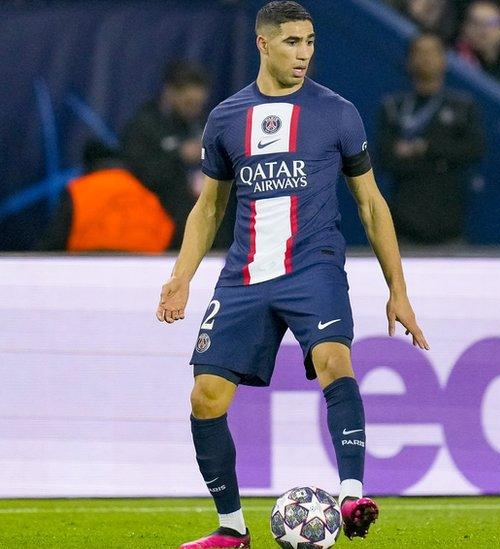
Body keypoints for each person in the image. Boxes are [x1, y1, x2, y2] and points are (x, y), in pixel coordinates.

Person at [155, 3, 429, 548]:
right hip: (246, 273)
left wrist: (398, 291)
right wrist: (181, 277)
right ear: (262, 44)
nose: (303, 53)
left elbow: (372, 205)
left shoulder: (337, 113)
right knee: (205, 397)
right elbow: (209, 208)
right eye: (291, 43)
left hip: (313, 266)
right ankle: (232, 529)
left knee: (334, 359)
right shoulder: (228, 118)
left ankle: (351, 494)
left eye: (309, 42)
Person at [377, 33, 485, 244]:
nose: (426, 58)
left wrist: (424, 148)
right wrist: (440, 159)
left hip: (450, 224)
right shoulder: (393, 108)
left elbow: (473, 150)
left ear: (444, 60)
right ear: (409, 61)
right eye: (420, 53)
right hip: (405, 226)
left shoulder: (462, 107)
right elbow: (386, 157)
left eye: (432, 52)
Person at [121, 60, 211, 249]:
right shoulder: (144, 126)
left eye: (198, 104)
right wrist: (178, 156)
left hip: (201, 231)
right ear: (169, 93)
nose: (194, 109)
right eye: (188, 103)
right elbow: (136, 178)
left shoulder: (204, 123)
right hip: (156, 232)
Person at [36, 140, 174, 253]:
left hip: (88, 265)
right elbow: (168, 230)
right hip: (144, 266)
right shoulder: (143, 191)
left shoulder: (78, 190)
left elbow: (54, 240)